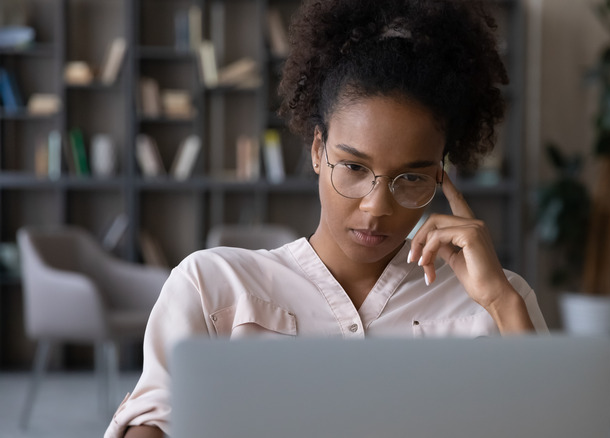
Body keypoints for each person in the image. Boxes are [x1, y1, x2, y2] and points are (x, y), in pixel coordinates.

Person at [107, 0, 547, 437]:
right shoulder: (213, 285)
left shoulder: (500, 303)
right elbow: (154, 419)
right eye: (354, 167)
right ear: (318, 151)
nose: (377, 206)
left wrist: (500, 303)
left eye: (411, 177)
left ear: (440, 175)